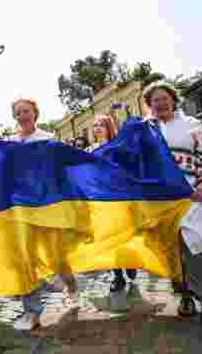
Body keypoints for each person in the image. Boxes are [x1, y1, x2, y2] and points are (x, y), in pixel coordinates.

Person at [142, 81, 202, 326]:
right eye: (154, 100)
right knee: (174, 249)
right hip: (161, 199)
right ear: (149, 105)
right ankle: (184, 297)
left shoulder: (192, 125)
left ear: (173, 99)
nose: (160, 103)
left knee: (197, 246)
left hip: (193, 195)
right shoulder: (145, 130)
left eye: (164, 98)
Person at [9, 98, 80, 332]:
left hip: (48, 206)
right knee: (25, 258)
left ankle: (70, 284)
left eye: (26, 111)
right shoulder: (11, 143)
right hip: (22, 207)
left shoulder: (48, 140)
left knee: (57, 257)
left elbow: (62, 170)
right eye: (18, 113)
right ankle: (32, 312)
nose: (22, 116)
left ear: (35, 113)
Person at [88, 114, 142, 306]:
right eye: (94, 126)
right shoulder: (91, 150)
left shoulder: (119, 148)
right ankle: (117, 275)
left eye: (101, 125)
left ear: (109, 127)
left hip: (120, 198)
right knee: (108, 239)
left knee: (124, 236)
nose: (97, 128)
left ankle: (130, 262)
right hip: (100, 201)